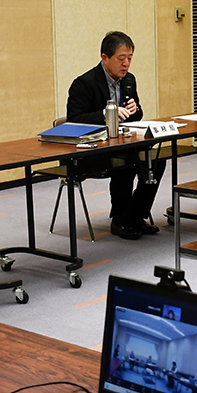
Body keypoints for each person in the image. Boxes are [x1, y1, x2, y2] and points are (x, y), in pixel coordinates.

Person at [66, 30, 164, 239]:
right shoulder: (84, 83)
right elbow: (74, 119)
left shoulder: (129, 80)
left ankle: (135, 215)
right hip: (92, 150)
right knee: (126, 163)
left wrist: (135, 109)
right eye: (121, 59)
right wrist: (105, 114)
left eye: (129, 58)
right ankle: (120, 220)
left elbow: (135, 117)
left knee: (157, 160)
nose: (126, 64)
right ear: (105, 57)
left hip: (122, 143)